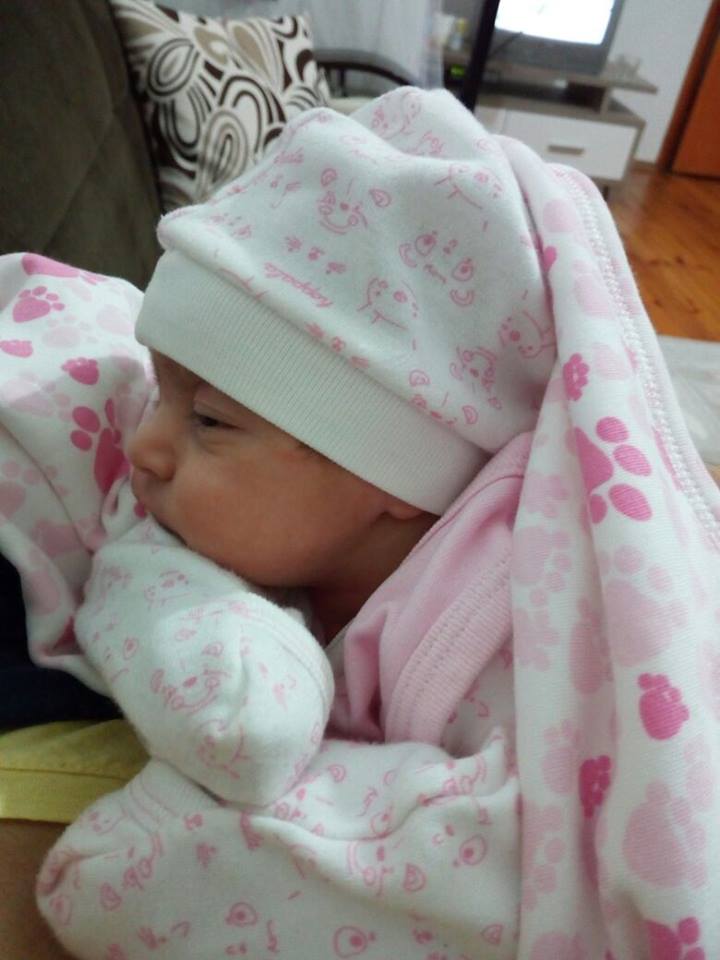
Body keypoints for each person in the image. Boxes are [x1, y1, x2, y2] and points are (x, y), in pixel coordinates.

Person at [1, 87, 719, 959]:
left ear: (394, 478)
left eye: (210, 420)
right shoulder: (312, 531)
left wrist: (181, 848)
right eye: (161, 387)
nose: (145, 447)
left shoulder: (504, 632)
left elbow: (523, 859)